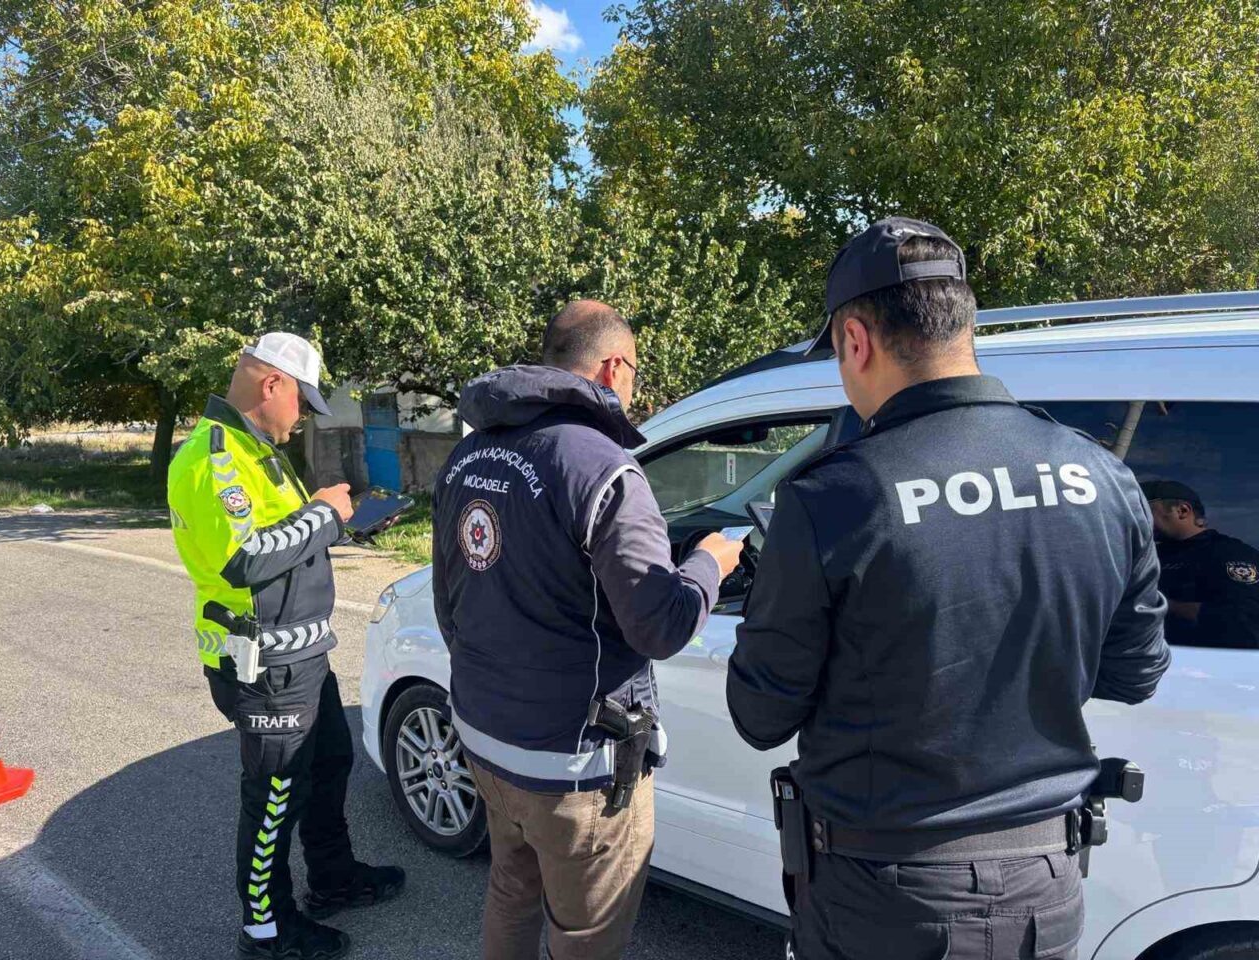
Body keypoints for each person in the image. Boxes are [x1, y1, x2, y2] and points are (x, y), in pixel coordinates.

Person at [726, 218, 1171, 960]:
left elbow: (760, 713)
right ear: (962, 323)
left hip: (884, 897)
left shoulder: (835, 497)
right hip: (1045, 886)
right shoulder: (1101, 474)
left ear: (855, 341)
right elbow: (1136, 672)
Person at [431, 300, 744, 960]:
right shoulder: (602, 467)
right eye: (634, 372)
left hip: (486, 740)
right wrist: (709, 564)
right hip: (575, 767)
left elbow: (448, 604)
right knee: (586, 935)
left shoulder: (467, 456)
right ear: (612, 367)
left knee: (512, 889)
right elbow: (661, 625)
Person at [167, 332, 403, 960]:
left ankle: (332, 877)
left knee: (329, 766)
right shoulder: (214, 457)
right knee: (275, 798)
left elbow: (286, 543)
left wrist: (344, 524)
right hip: (262, 664)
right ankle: (266, 928)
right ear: (272, 384)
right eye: (303, 402)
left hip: (301, 654)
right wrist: (326, 514)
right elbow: (245, 558)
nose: (304, 419)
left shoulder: (258, 451)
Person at [1141, 479, 1259, 648]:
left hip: (1206, 659)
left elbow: (1245, 619)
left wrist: (1162, 605)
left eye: (1142, 510)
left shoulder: (1230, 554)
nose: (1135, 519)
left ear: (1182, 511)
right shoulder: (1144, 558)